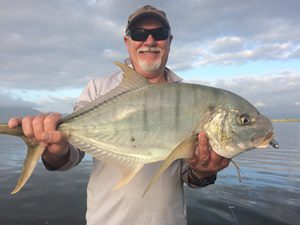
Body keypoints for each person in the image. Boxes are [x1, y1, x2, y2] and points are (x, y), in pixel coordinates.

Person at [8, 5, 230, 225]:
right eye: (139, 34)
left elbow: (188, 175)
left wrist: (203, 172)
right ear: (127, 42)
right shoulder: (99, 89)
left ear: (169, 41)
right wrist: (54, 151)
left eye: (159, 34)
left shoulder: (190, 98)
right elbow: (72, 153)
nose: (150, 41)